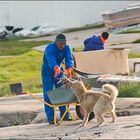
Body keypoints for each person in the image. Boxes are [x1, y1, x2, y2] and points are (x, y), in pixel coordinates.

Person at [41, 33, 74, 124]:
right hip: (47, 71)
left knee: (62, 92)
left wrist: (69, 68)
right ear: (56, 42)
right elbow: (50, 58)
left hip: (59, 70)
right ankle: (51, 118)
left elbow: (69, 58)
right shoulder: (49, 48)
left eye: (63, 44)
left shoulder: (67, 48)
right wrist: (55, 67)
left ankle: (65, 115)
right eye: (60, 44)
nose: (61, 46)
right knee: (49, 93)